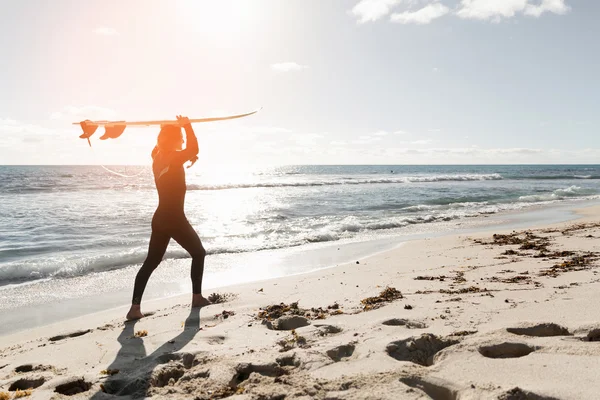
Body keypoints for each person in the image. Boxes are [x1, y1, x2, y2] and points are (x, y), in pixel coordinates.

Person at [126, 115, 210, 320]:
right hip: (174, 218)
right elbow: (193, 149)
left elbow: (178, 151)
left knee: (151, 262)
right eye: (179, 137)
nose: (182, 140)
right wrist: (187, 126)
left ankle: (134, 309)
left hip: (160, 218)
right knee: (199, 253)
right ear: (172, 140)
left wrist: (168, 127)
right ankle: (197, 297)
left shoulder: (157, 156)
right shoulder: (172, 157)